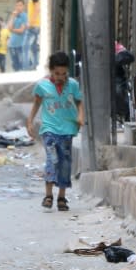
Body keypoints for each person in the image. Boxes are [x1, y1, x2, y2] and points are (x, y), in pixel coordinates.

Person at [25, 51, 84, 212]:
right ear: (51, 70)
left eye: (64, 73)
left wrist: (80, 116)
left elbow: (79, 102)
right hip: (49, 129)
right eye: (57, 73)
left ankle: (62, 197)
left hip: (67, 129)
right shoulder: (42, 86)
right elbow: (36, 104)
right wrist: (29, 121)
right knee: (53, 159)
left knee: (65, 162)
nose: (60, 77)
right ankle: (48, 195)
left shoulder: (72, 85)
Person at [114, 41, 135, 123]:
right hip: (102, 77)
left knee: (118, 91)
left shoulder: (115, 46)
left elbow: (130, 56)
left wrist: (116, 59)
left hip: (117, 78)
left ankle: (124, 114)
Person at [24, 0, 41, 69]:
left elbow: (38, 9)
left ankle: (26, 68)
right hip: (35, 25)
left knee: (25, 47)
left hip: (33, 26)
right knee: (34, 48)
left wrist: (30, 22)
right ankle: (35, 65)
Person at [7, 0, 27, 71]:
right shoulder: (14, 16)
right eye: (17, 5)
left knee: (22, 66)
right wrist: (12, 16)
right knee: (15, 67)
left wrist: (12, 29)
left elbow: (21, 30)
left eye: (20, 5)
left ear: (24, 6)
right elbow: (9, 27)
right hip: (12, 45)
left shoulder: (24, 16)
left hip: (21, 45)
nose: (18, 7)